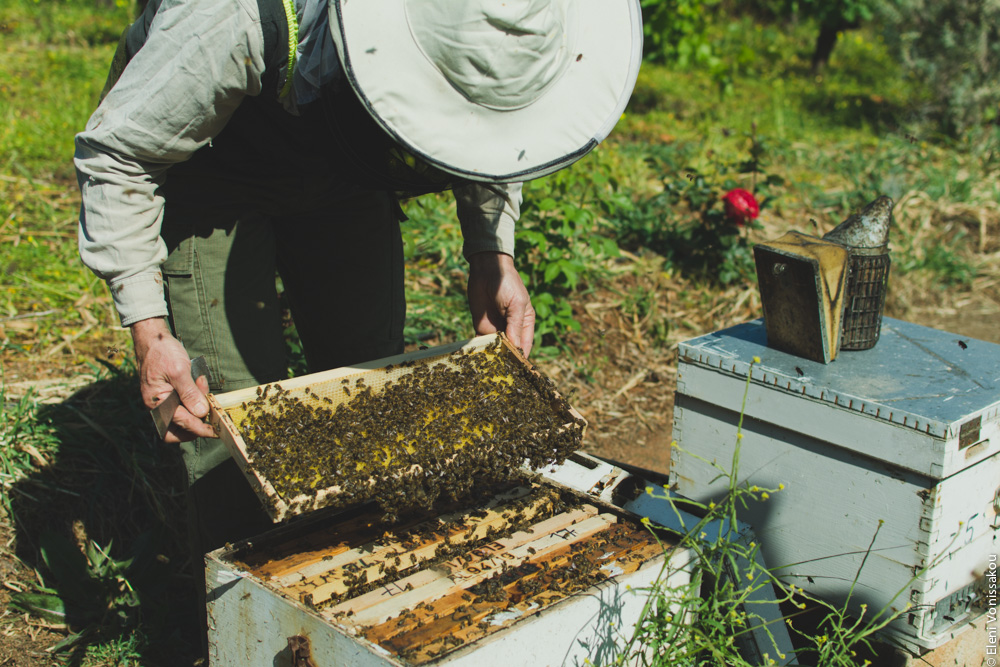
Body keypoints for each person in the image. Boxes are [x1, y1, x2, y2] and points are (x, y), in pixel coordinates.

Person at [76, 0, 642, 554]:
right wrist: (150, 330)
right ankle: (243, 616)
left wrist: (493, 254)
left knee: (372, 375)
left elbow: (489, 130)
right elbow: (118, 154)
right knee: (225, 422)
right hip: (211, 166)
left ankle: (362, 573)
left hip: (344, 167)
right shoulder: (230, 15)